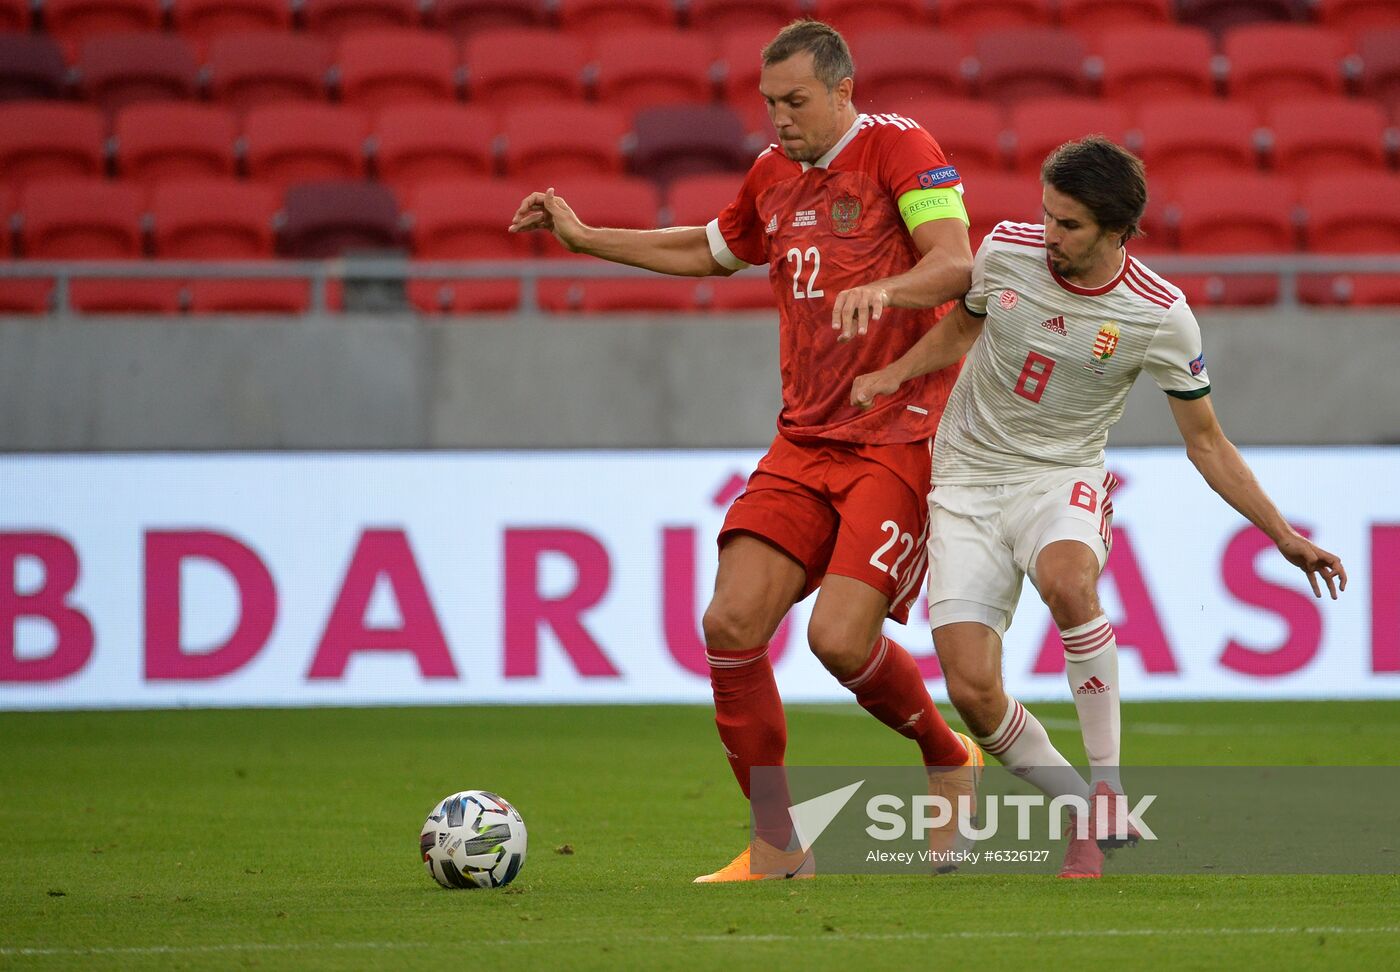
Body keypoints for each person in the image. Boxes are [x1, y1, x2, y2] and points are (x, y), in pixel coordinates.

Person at [510, 19, 983, 882]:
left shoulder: (900, 150)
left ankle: (947, 755)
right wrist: (588, 239)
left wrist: (883, 286)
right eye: (769, 102)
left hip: (896, 433)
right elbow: (708, 248)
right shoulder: (772, 175)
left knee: (840, 643)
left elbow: (956, 263)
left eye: (795, 101)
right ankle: (776, 844)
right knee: (728, 626)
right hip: (803, 440)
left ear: (842, 91)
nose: (779, 118)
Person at [851, 136, 1348, 878]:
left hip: (1060, 478)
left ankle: (1111, 787)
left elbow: (1207, 443)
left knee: (1069, 583)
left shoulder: (1159, 315)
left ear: (1118, 231)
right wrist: (895, 372)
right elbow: (965, 323)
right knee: (973, 692)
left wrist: (1282, 534)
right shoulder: (1006, 251)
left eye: (1071, 225)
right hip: (964, 482)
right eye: (1048, 216)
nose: (1050, 236)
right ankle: (1081, 808)